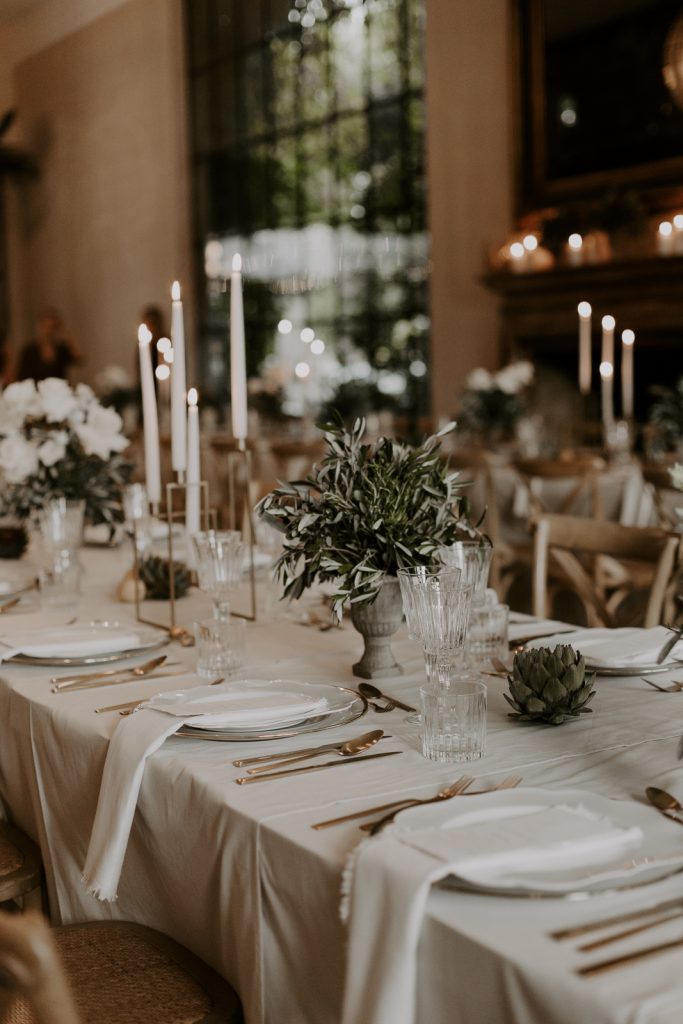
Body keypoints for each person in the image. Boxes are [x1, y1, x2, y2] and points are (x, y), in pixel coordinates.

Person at [16, 308, 82, 381]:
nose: (48, 331)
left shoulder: (61, 349)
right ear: (39, 326)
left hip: (58, 386)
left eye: (52, 327)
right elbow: (21, 375)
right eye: (46, 326)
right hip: (36, 387)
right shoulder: (30, 351)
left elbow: (78, 359)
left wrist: (66, 335)